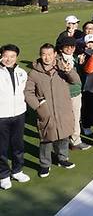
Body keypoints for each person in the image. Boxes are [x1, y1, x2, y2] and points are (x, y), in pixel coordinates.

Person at [25, 44, 80, 177]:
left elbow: (76, 81)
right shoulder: (34, 73)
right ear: (40, 55)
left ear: (55, 54)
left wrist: (69, 71)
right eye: (44, 54)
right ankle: (45, 164)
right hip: (46, 111)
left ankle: (63, 159)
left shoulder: (62, 67)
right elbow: (28, 92)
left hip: (63, 109)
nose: (47, 57)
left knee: (64, 135)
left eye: (50, 54)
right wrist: (39, 107)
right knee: (46, 139)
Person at [0, 44, 30, 189]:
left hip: (19, 114)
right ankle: (4, 175)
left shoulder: (22, 72)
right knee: (2, 148)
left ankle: (17, 171)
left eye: (12, 56)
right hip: (1, 116)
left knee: (18, 145)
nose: (9, 59)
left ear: (16, 57)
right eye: (6, 56)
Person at [58, 37, 90, 151]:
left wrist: (81, 65)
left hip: (76, 93)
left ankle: (75, 141)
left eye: (72, 47)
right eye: (67, 47)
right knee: (63, 119)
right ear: (61, 48)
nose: (70, 49)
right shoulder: (57, 60)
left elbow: (80, 77)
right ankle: (63, 142)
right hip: (63, 94)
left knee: (76, 118)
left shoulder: (77, 59)